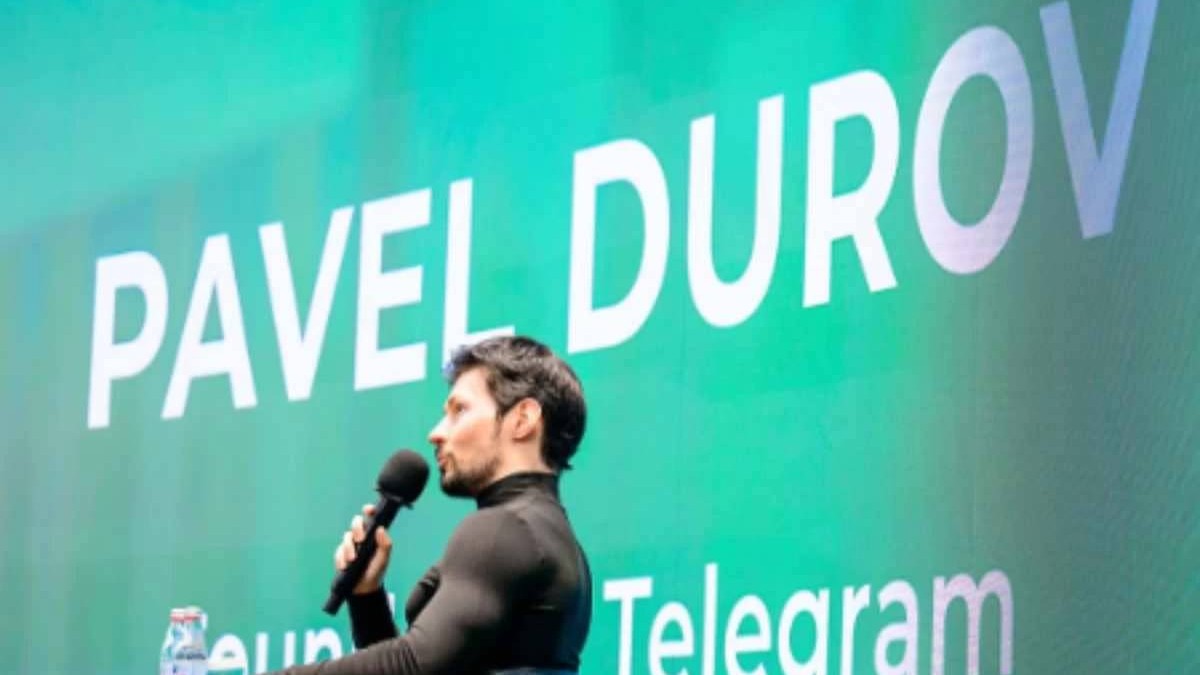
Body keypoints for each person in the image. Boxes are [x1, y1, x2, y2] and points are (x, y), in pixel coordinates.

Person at [271, 335, 592, 675]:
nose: (436, 433)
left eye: (459, 410)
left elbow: (414, 664)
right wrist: (367, 597)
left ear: (523, 419)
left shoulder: (504, 528)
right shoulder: (553, 538)